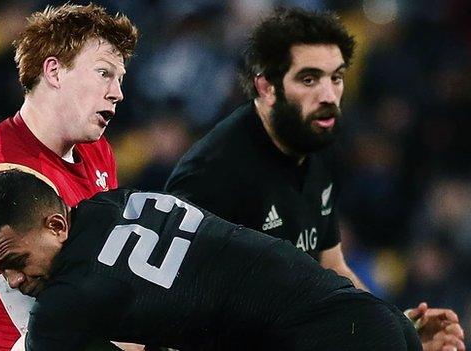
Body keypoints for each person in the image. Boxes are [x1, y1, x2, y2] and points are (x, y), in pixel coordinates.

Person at [164, 7, 465, 351]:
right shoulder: (214, 174)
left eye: (335, 78)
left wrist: (399, 331)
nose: (328, 96)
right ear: (267, 86)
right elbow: (171, 306)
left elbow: (332, 267)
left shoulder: (313, 145)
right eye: (309, 79)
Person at [0, 170, 422, 350]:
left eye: (16, 260)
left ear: (56, 226)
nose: (13, 279)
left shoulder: (68, 297)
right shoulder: (118, 202)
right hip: (375, 322)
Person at [0, 4, 138, 350]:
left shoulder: (95, 148)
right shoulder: (5, 179)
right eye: (103, 73)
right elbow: (73, 310)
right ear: (54, 71)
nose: (117, 92)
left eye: (120, 79)